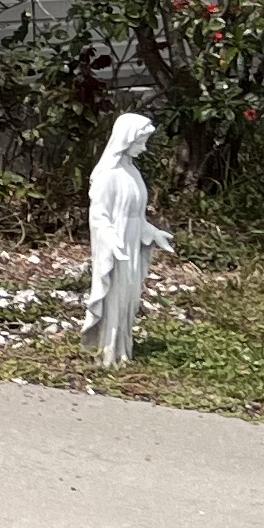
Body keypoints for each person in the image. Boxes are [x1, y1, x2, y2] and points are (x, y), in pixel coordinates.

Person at [82, 111, 173, 363]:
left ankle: (123, 348)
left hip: (132, 242)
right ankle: (109, 350)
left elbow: (135, 214)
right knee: (115, 295)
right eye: (140, 142)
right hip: (116, 243)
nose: (143, 148)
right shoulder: (107, 174)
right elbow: (99, 214)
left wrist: (152, 232)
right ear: (126, 139)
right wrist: (110, 241)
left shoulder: (132, 172)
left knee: (129, 298)